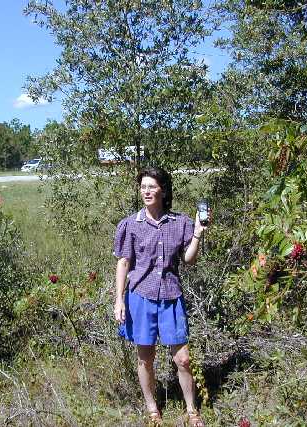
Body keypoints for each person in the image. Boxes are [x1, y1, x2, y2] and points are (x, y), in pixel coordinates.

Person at [113, 166, 210, 427]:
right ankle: (152, 408)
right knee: (146, 357)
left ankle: (191, 410)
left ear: (163, 190)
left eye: (151, 186)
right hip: (140, 297)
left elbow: (188, 260)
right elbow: (124, 263)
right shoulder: (130, 225)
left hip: (171, 297)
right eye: (142, 186)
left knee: (183, 358)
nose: (146, 191)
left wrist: (198, 234)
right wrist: (119, 299)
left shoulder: (180, 223)